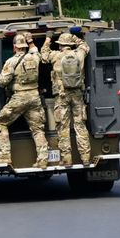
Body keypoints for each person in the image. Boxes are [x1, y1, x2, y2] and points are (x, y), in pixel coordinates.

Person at [0, 34, 49, 168]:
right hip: (35, 96)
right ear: (25, 46)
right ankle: (43, 160)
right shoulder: (35, 57)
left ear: (14, 47)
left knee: (0, 123)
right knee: (38, 129)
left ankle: (4, 156)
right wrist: (30, 41)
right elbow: (35, 50)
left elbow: (3, 82)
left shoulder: (11, 61)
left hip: (19, 98)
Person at [41, 32, 92, 165]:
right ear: (70, 44)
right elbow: (85, 46)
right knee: (80, 126)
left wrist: (48, 38)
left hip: (62, 97)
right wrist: (75, 37)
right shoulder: (79, 54)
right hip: (77, 96)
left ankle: (67, 159)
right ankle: (85, 158)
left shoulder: (56, 56)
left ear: (61, 45)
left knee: (63, 128)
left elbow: (44, 55)